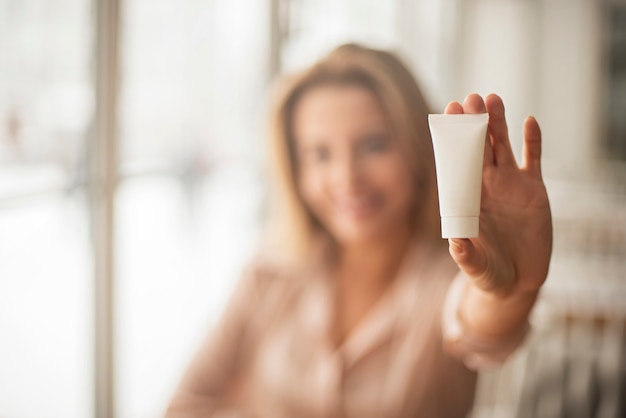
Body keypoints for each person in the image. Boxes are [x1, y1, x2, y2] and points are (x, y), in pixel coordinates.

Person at [165, 43, 552, 418]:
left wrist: (506, 290)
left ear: (419, 150)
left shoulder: (444, 277)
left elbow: (480, 324)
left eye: (373, 145)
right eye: (319, 154)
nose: (347, 179)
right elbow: (185, 405)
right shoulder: (269, 269)